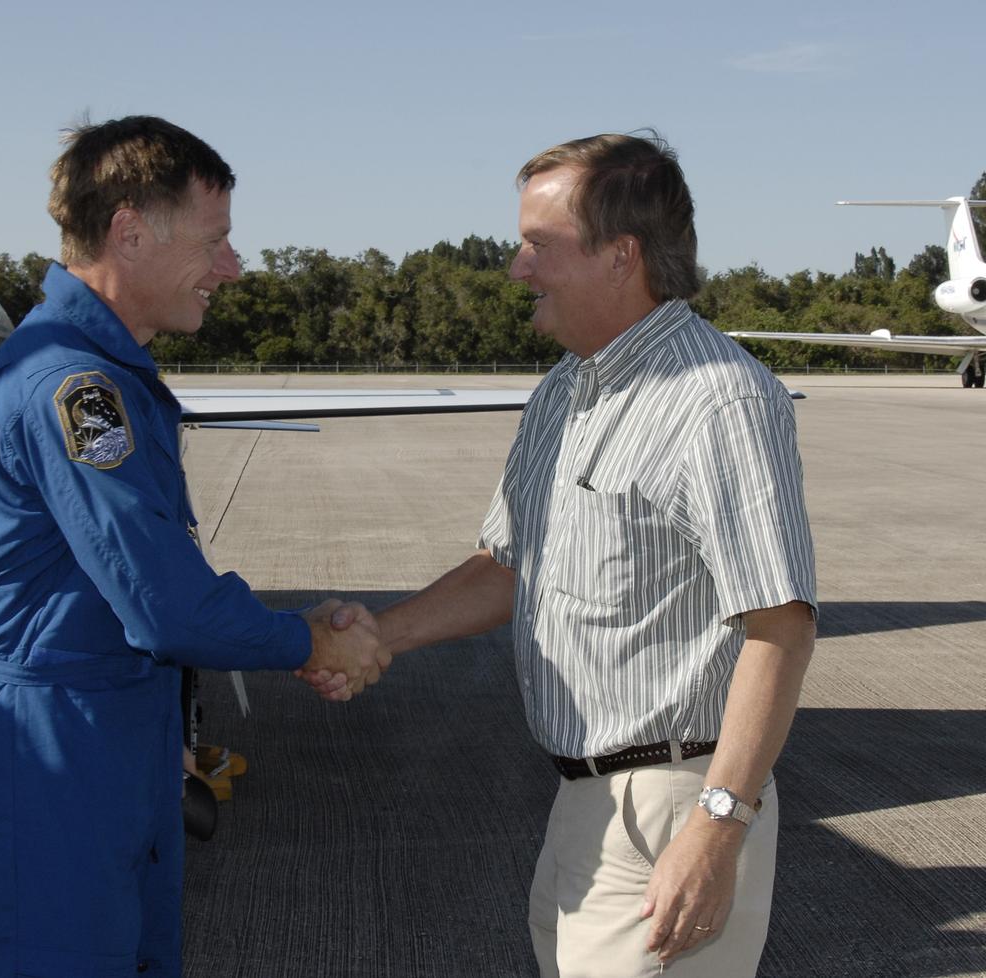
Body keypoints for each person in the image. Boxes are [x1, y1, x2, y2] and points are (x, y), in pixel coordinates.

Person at [318, 132, 816, 976]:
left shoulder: (717, 401)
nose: (517, 268)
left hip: (673, 808)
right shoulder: (563, 390)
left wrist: (717, 825)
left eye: (539, 245)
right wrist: (379, 635)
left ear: (622, 256)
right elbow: (510, 566)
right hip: (583, 804)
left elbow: (780, 626)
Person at [0, 115, 383, 978]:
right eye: (214, 241)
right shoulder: (74, 388)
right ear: (130, 231)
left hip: (116, 733)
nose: (232, 266)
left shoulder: (109, 375)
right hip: (50, 755)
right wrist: (307, 639)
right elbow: (165, 601)